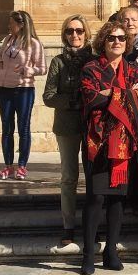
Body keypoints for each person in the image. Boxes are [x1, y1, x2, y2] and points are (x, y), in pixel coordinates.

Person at [79, 21, 138, 275]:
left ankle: (111, 251)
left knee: (118, 199)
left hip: (124, 143)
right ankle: (88, 254)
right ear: (103, 42)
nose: (117, 42)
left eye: (121, 38)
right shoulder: (91, 68)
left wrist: (111, 93)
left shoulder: (133, 69)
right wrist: (122, 95)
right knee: (95, 197)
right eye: (111, 38)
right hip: (96, 141)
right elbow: (90, 97)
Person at [42, 14, 94, 245]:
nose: (75, 35)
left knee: (94, 177)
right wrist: (74, 102)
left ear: (86, 34)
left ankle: (92, 225)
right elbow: (49, 96)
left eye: (79, 31)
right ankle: (68, 226)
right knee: (69, 176)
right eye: (70, 31)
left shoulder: (94, 60)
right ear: (64, 34)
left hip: (92, 125)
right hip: (66, 125)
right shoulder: (58, 61)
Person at [0, 10, 46, 181]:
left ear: (21, 25)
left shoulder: (34, 44)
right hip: (4, 88)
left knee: (23, 128)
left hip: (23, 89)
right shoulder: (8, 39)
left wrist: (27, 70)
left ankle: (22, 166)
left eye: (12, 23)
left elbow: (42, 68)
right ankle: (8, 166)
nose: (9, 26)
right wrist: (0, 62)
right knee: (7, 128)